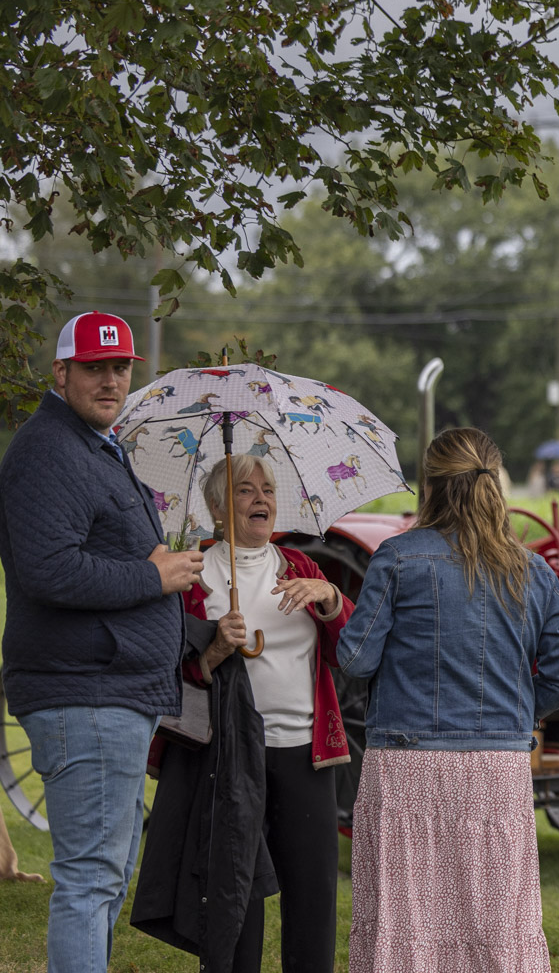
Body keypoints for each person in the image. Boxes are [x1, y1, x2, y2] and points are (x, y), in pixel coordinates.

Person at [0, 311, 204, 973]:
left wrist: (166, 575)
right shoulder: (49, 451)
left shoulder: (95, 446)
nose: (111, 380)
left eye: (120, 367)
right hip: (85, 694)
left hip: (108, 692)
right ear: (61, 372)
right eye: (95, 367)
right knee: (90, 881)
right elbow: (48, 569)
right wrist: (153, 574)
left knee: (103, 881)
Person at [338, 427, 559, 973]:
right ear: (494, 482)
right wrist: (518, 713)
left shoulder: (397, 558)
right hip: (497, 770)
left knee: (405, 924)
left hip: (406, 765)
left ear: (429, 487)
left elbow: (355, 661)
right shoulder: (533, 570)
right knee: (495, 927)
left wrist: (337, 607)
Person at [133, 453, 354, 973]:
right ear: (215, 506)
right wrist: (211, 654)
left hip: (303, 753)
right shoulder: (192, 575)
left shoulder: (302, 567)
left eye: (268, 490)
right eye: (245, 490)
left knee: (312, 893)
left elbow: (355, 649)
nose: (261, 499)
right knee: (234, 896)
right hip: (227, 761)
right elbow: (162, 670)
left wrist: (329, 598)